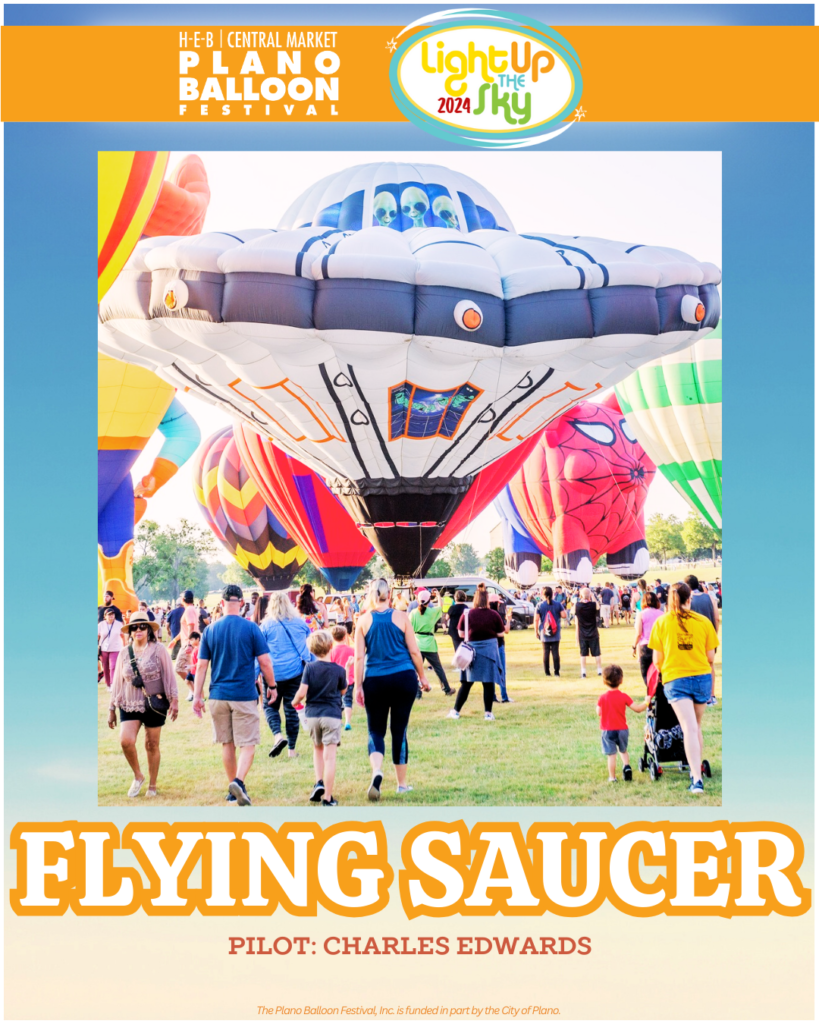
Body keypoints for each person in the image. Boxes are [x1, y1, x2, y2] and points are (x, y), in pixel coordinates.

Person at [192, 584, 277, 806]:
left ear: (221, 603)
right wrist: (272, 686)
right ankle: (238, 781)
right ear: (241, 603)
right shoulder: (251, 628)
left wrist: (198, 696)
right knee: (248, 743)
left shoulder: (210, 630)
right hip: (243, 693)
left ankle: (233, 789)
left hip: (218, 695)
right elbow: (265, 662)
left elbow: (201, 666)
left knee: (227, 743)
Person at [353, 579, 431, 800]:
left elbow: (359, 657)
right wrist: (423, 677)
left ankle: (377, 770)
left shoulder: (363, 621)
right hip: (403, 678)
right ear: (390, 594)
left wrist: (358, 686)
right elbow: (415, 652)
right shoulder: (402, 617)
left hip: (375, 680)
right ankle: (402, 784)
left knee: (375, 730)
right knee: (399, 730)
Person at [648, 582, 719, 795]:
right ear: (690, 599)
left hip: (676, 679)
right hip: (701, 678)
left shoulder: (661, 623)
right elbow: (710, 657)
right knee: (695, 726)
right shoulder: (704, 622)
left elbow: (657, 660)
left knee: (688, 727)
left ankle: (696, 779)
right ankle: (694, 770)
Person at [107, 611, 179, 798]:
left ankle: (152, 785)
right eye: (134, 627)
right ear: (130, 631)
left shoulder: (159, 649)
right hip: (129, 702)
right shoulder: (124, 652)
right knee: (126, 741)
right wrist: (111, 708)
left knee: (152, 744)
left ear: (149, 630)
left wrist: (174, 700)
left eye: (142, 626)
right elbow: (116, 682)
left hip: (155, 703)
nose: (138, 629)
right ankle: (138, 775)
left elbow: (169, 675)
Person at [291, 630, 347, 806]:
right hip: (331, 714)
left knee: (317, 748)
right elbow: (343, 691)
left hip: (313, 715)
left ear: (312, 650)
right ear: (331, 646)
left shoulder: (309, 668)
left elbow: (302, 692)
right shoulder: (339, 670)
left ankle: (318, 782)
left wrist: (295, 702)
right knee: (330, 757)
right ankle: (328, 798)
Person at [259, 591, 313, 760]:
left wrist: (256, 673)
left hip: (272, 675)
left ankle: (277, 736)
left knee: (269, 707)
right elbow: (308, 646)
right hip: (295, 673)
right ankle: (291, 750)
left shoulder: (266, 625)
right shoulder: (299, 623)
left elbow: (259, 653)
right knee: (291, 710)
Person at [449, 583, 505, 721]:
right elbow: (501, 633)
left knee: (466, 684)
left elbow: (461, 634)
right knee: (488, 683)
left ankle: (456, 711)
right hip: (489, 652)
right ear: (487, 600)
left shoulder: (467, 614)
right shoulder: (494, 614)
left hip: (471, 653)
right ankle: (488, 713)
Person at [596, 664, 648, 783]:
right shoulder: (623, 696)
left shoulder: (602, 697)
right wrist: (647, 702)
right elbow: (638, 709)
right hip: (622, 730)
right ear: (621, 680)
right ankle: (626, 766)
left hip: (608, 730)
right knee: (623, 750)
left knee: (611, 755)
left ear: (604, 681)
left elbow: (598, 712)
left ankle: (612, 777)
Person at [409, 589, 454, 696]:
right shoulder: (432, 612)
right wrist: (438, 595)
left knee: (415, 670)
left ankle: (417, 693)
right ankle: (447, 689)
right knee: (438, 669)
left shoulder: (413, 613)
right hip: (429, 645)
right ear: (429, 601)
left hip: (417, 644)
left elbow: (409, 630)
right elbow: (441, 607)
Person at [535, 586, 567, 678]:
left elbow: (536, 620)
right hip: (555, 631)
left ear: (543, 594)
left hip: (544, 632)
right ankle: (556, 672)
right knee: (555, 652)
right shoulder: (558, 604)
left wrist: (536, 631)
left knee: (546, 652)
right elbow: (564, 615)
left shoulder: (540, 605)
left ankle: (547, 672)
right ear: (552, 594)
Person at [632, 591, 662, 686]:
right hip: (659, 646)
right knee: (660, 674)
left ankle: (650, 694)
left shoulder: (641, 614)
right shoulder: (662, 614)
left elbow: (638, 633)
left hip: (646, 646)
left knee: (646, 675)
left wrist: (633, 646)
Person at [487, 592, 512, 702]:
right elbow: (505, 631)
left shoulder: (486, 615)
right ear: (495, 603)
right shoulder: (498, 616)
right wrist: (509, 619)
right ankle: (504, 696)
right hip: (499, 645)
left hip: (489, 646)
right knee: (501, 671)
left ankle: (492, 696)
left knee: (491, 671)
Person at [330, 625, 356, 730]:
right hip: (349, 678)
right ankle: (347, 721)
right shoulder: (351, 650)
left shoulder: (332, 651)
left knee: (337, 700)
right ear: (345, 636)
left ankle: (339, 720)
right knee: (348, 700)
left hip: (335, 680)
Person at [575, 587, 602, 678]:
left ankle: (583, 672)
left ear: (581, 595)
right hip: (593, 632)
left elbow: (576, 622)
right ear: (589, 595)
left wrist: (576, 638)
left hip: (582, 633)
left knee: (583, 654)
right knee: (597, 653)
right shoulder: (593, 605)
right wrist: (593, 596)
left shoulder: (578, 606)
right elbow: (598, 606)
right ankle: (599, 670)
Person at [98, 606, 124, 689]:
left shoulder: (119, 624)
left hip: (116, 648)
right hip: (104, 649)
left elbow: (123, 635)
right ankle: (108, 684)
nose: (111, 616)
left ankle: (113, 683)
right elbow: (98, 636)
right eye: (109, 615)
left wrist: (125, 645)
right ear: (105, 616)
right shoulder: (101, 625)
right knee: (105, 667)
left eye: (112, 614)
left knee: (113, 666)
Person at [175, 630, 201, 701]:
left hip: (188, 645)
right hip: (187, 644)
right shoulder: (196, 647)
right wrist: (174, 640)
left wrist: (189, 644)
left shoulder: (197, 648)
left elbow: (191, 626)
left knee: (180, 669)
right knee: (188, 678)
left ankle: (195, 694)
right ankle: (193, 693)